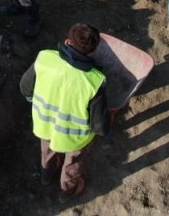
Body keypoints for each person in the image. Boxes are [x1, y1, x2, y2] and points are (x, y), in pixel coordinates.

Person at [19, 23, 109, 204]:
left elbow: (24, 87)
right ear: (92, 51)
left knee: (47, 151)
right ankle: (67, 191)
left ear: (67, 41)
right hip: (75, 139)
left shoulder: (44, 58)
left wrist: (34, 100)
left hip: (45, 125)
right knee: (72, 165)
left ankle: (46, 175)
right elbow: (98, 124)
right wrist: (104, 132)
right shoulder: (94, 80)